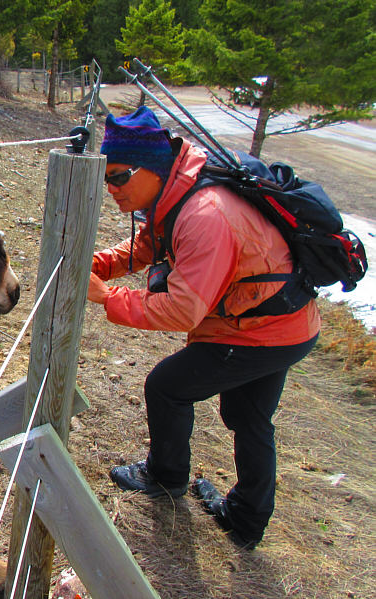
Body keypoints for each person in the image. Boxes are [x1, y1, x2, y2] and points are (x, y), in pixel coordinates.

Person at [88, 106, 320, 550]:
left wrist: (107, 296)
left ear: (152, 168)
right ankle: (245, 521)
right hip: (285, 321)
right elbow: (150, 244)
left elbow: (183, 310)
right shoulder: (178, 188)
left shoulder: (204, 214)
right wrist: (100, 263)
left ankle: (165, 477)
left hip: (262, 330)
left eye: (118, 177)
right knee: (249, 417)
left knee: (167, 386)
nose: (111, 188)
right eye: (106, 177)